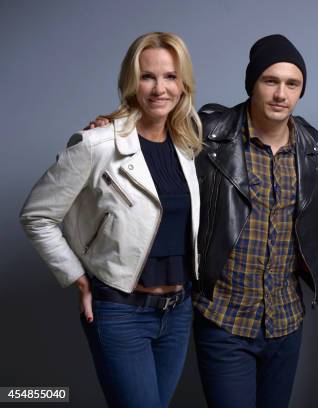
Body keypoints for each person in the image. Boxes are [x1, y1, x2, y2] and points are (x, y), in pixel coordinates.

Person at [19, 32, 202, 408]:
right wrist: (77, 277)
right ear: (131, 82)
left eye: (170, 76)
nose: (159, 88)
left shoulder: (188, 146)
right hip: (121, 312)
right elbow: (36, 215)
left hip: (178, 313)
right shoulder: (96, 145)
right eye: (147, 76)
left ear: (183, 84)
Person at [192, 34, 318, 408]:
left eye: (292, 84)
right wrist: (114, 123)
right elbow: (151, 138)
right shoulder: (210, 135)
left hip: (285, 320)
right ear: (253, 83)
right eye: (271, 81)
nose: (281, 93)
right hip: (224, 317)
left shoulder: (311, 147)